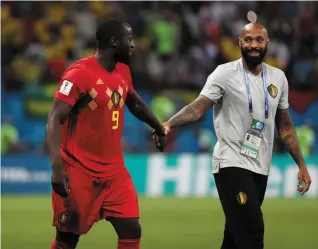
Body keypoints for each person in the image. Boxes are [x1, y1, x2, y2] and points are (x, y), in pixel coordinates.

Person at [153, 21, 312, 249]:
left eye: (259, 40)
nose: (254, 45)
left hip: (261, 167)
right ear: (239, 43)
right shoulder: (224, 73)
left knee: (235, 238)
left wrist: (302, 166)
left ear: (267, 43)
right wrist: (168, 124)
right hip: (231, 163)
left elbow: (285, 127)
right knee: (252, 233)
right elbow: (198, 108)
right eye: (248, 40)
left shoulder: (278, 78)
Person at [46, 19, 165, 249]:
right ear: (113, 41)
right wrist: (57, 167)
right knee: (67, 239)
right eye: (129, 39)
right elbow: (54, 118)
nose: (133, 45)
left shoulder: (122, 71)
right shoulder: (78, 74)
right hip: (78, 170)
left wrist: (158, 127)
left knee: (131, 229)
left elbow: (135, 103)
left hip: (114, 173)